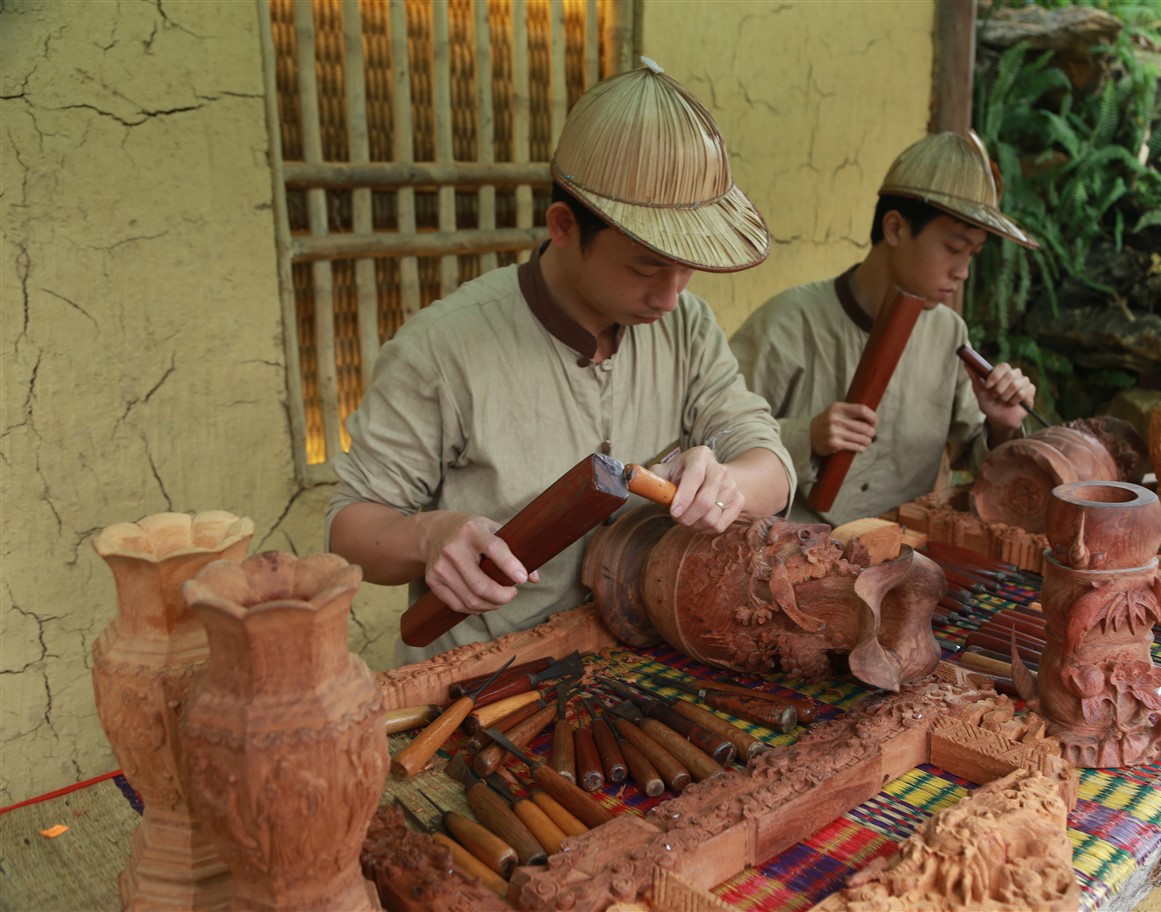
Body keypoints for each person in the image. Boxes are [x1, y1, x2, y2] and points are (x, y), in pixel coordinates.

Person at [327, 60, 795, 663]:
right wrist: (429, 534)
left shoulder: (687, 325)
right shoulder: (444, 348)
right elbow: (350, 530)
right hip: (481, 676)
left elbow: (771, 463)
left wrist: (731, 484)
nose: (670, 296)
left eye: (688, 270)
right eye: (645, 269)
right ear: (565, 225)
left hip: (634, 662)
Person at [730, 131, 1040, 527]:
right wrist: (806, 436)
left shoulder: (949, 333)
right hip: (796, 550)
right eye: (953, 248)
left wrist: (1000, 425)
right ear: (894, 228)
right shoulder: (789, 322)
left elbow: (980, 468)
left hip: (907, 549)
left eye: (972, 254)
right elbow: (716, 438)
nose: (962, 272)